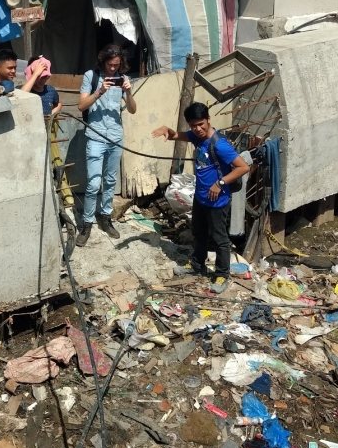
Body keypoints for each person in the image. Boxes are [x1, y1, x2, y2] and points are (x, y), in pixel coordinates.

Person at [152, 103, 250, 287]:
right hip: (200, 197)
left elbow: (243, 167)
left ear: (208, 120)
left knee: (220, 239)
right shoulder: (197, 137)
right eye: (193, 125)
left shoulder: (219, 145)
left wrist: (220, 183)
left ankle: (222, 275)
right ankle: (198, 265)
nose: (197, 129)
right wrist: (168, 130)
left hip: (218, 200)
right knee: (199, 233)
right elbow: (177, 135)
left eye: (201, 124)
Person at [76, 44, 137, 246]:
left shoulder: (123, 78)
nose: (113, 69)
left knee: (110, 181)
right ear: (103, 61)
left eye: (117, 65)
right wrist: (100, 91)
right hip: (95, 135)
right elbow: (81, 105)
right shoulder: (90, 76)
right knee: (94, 183)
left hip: (115, 137)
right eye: (110, 65)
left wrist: (128, 92)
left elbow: (133, 109)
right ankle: (86, 223)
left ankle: (106, 217)